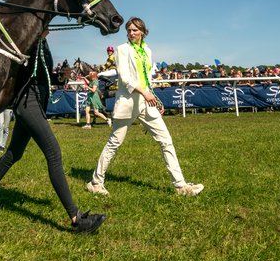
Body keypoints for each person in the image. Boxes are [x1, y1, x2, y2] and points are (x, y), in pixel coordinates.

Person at [0, 37, 105, 233]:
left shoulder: (42, 42)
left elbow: (41, 76)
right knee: (53, 154)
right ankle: (76, 217)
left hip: (35, 102)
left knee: (13, 154)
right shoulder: (27, 40)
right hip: (28, 103)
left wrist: (60, 77)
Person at [86, 17, 204, 197]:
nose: (131, 33)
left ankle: (180, 186)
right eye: (129, 30)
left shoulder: (147, 51)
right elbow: (125, 78)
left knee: (166, 140)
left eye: (135, 30)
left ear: (142, 31)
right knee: (114, 143)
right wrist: (145, 93)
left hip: (146, 103)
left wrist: (154, 97)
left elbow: (146, 78)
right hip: (127, 103)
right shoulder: (122, 50)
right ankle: (96, 182)